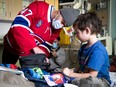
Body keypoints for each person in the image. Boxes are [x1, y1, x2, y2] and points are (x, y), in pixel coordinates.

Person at [2, 1, 80, 64]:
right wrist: (34, 47)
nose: (61, 26)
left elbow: (47, 45)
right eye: (62, 22)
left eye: (64, 25)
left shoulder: (57, 29)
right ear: (59, 12)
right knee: (6, 71)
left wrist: (42, 56)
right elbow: (18, 25)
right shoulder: (39, 7)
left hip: (27, 54)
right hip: (12, 47)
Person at [62, 12, 111, 87]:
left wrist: (70, 74)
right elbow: (81, 67)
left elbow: (92, 75)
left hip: (100, 80)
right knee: (63, 73)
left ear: (87, 30)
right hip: (86, 76)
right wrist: (73, 71)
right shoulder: (83, 47)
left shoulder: (98, 50)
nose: (76, 36)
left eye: (77, 33)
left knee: (88, 82)